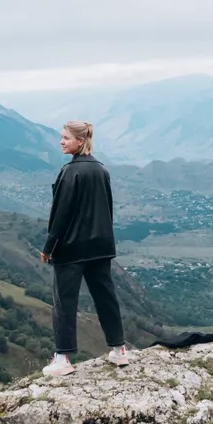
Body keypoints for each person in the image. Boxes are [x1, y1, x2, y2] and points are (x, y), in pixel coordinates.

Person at [40, 120, 134, 376]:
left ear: (80, 141)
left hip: (71, 249)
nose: (61, 141)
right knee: (106, 298)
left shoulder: (70, 172)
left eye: (66, 138)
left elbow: (60, 215)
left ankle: (62, 358)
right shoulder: (101, 170)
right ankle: (119, 351)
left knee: (64, 303)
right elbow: (108, 209)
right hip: (101, 246)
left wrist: (49, 247)